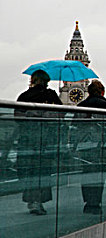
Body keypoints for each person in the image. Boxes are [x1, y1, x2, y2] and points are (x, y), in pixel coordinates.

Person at [16, 69, 62, 215]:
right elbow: (62, 112)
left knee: (30, 171)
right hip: (46, 140)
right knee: (43, 171)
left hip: (28, 139)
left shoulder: (24, 96)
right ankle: (38, 201)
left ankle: (32, 200)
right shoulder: (51, 95)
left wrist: (32, 115)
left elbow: (18, 116)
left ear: (33, 80)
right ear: (47, 81)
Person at [76, 80, 106, 214]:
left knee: (86, 173)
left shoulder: (81, 105)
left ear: (88, 92)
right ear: (102, 91)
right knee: (99, 174)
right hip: (102, 146)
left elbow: (74, 126)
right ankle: (96, 202)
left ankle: (88, 201)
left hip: (84, 147)